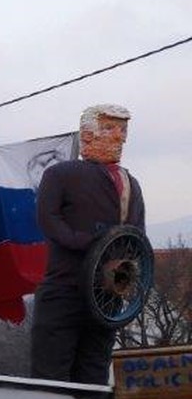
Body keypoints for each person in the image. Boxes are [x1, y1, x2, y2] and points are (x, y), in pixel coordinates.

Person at [31, 104, 146, 384]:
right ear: (88, 134)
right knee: (52, 374)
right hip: (66, 287)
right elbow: (49, 218)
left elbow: (136, 236)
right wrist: (84, 242)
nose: (118, 137)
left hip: (106, 296)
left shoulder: (131, 183)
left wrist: (122, 264)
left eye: (122, 129)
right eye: (109, 128)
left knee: (92, 372)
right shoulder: (61, 175)